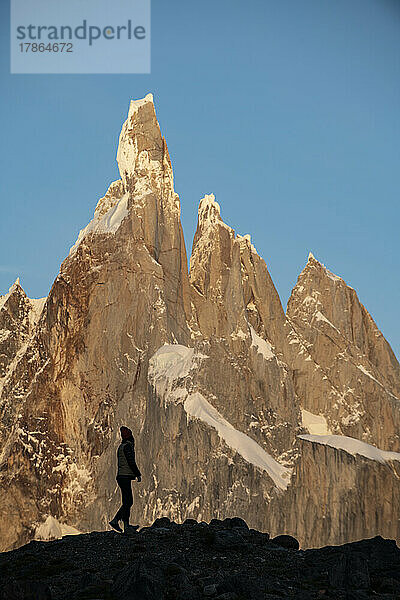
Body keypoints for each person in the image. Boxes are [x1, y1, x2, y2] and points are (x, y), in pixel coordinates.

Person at [109, 426, 141, 534]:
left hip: (121, 476)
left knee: (127, 501)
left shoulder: (121, 446)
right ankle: (121, 523)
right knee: (128, 501)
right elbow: (131, 461)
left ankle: (121, 522)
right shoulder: (127, 447)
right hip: (125, 477)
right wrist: (138, 474)